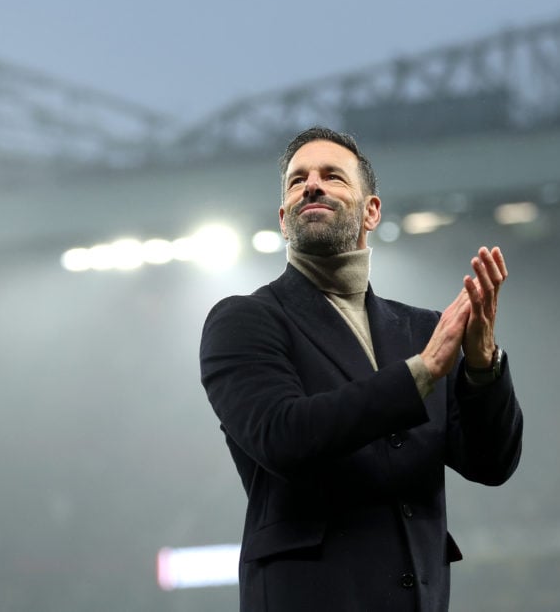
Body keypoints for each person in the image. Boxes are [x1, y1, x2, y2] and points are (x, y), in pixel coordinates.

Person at [199, 127, 524, 611]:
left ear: (371, 210)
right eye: (297, 180)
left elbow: (491, 464)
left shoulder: (422, 330)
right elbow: (283, 435)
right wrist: (422, 374)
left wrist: (481, 365)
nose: (312, 185)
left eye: (333, 176)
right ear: (284, 217)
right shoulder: (243, 320)